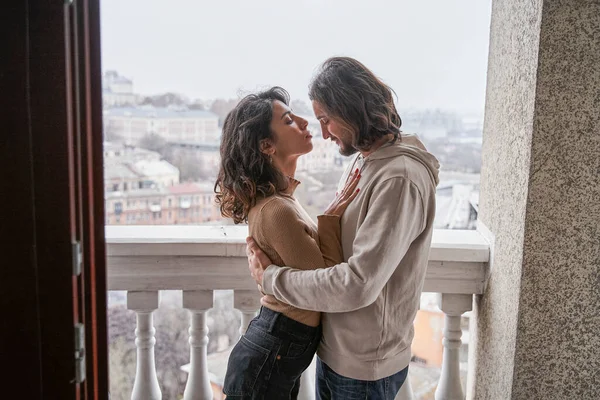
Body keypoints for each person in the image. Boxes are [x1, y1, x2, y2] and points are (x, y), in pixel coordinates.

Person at [246, 57, 440, 399]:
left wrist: (272, 279)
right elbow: (343, 255)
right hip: (338, 352)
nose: (322, 132)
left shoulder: (399, 178)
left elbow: (357, 285)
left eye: (326, 120)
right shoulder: (364, 161)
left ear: (352, 110)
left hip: (364, 368)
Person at [214, 86, 361, 399]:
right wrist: (331, 219)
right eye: (289, 121)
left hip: (275, 351)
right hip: (270, 355)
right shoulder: (276, 209)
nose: (305, 122)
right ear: (267, 145)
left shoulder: (280, 201)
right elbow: (325, 285)